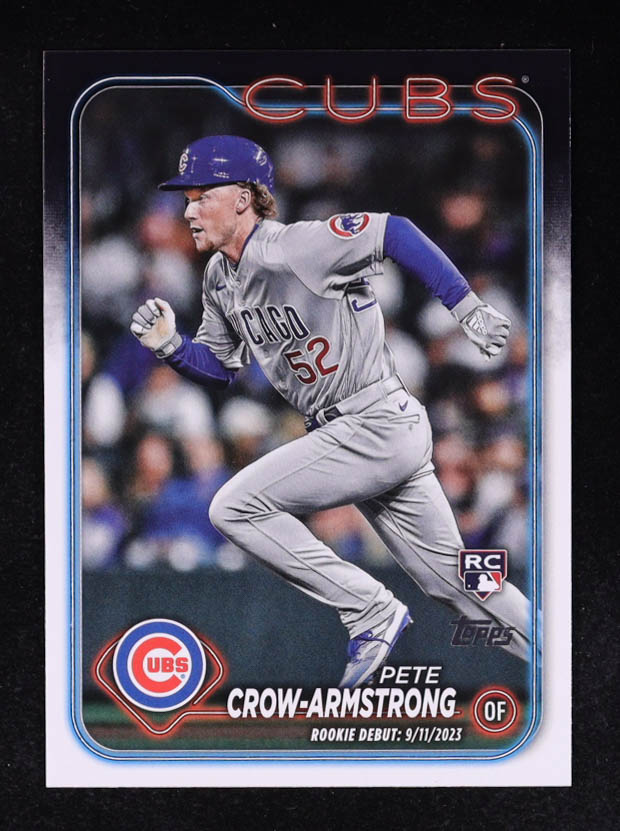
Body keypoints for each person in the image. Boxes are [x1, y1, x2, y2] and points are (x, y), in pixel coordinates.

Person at [130, 135, 530, 687]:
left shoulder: (299, 245)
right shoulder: (219, 277)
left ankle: (368, 608)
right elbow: (221, 369)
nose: (189, 211)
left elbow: (395, 232)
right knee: (463, 588)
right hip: (360, 433)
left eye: (202, 196)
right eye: (187, 199)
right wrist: (172, 347)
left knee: (234, 507)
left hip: (372, 420)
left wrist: (465, 306)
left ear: (243, 198)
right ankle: (567, 659)